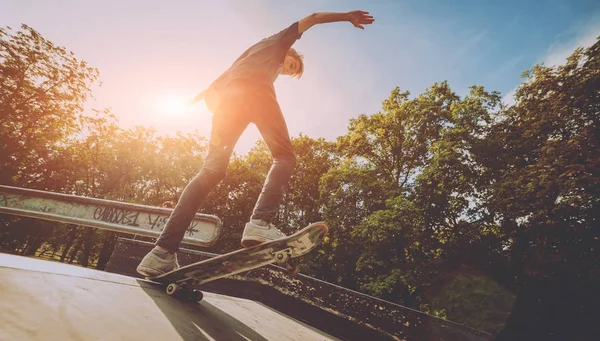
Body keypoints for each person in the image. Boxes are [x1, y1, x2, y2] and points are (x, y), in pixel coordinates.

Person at [136, 10, 375, 277]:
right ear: (291, 52)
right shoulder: (279, 41)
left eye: (289, 72)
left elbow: (221, 79)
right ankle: (261, 221)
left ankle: (161, 253)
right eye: (291, 66)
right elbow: (314, 17)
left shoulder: (252, 54)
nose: (285, 70)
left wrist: (200, 98)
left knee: (211, 171)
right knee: (285, 157)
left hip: (227, 104)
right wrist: (347, 17)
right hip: (254, 94)